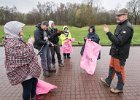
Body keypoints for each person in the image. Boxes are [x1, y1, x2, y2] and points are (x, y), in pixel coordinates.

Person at [3, 21, 41, 100]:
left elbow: (24, 51)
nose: (22, 31)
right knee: (27, 87)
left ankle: (33, 97)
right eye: (20, 29)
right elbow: (26, 54)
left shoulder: (15, 39)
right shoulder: (13, 43)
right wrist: (30, 43)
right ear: (14, 30)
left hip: (28, 69)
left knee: (34, 82)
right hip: (22, 70)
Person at [100, 8, 134, 93]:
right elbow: (115, 38)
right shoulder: (120, 25)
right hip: (115, 52)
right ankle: (108, 81)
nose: (117, 17)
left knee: (119, 71)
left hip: (120, 54)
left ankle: (120, 87)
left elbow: (118, 42)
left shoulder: (127, 28)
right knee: (111, 68)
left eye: (119, 16)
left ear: (125, 16)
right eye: (117, 16)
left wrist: (108, 32)